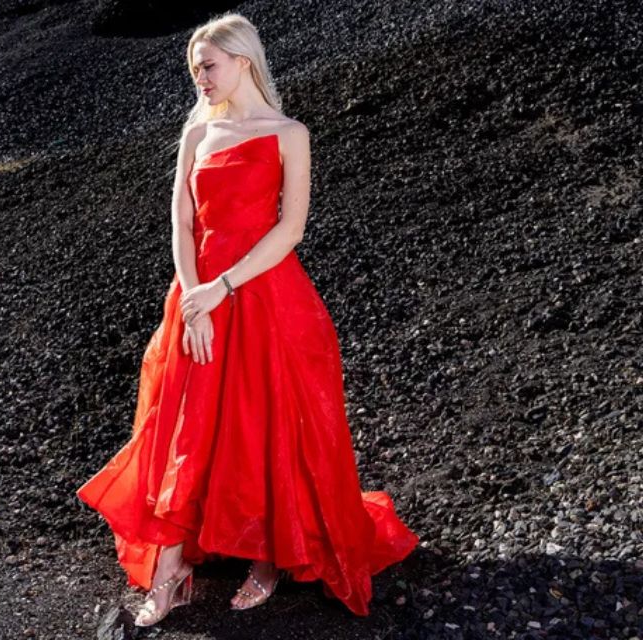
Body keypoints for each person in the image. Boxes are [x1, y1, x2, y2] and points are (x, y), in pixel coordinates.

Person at [75, 11, 420, 628]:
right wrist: (192, 297)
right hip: (198, 298)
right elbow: (181, 221)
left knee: (265, 422)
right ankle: (172, 568)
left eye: (207, 65)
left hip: (264, 296)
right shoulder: (196, 136)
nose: (199, 78)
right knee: (187, 424)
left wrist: (222, 286)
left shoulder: (290, 133)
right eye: (193, 69)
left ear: (243, 61)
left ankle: (269, 557)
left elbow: (290, 229)